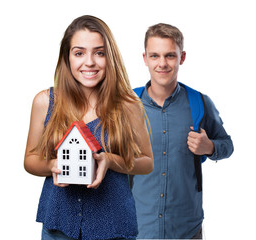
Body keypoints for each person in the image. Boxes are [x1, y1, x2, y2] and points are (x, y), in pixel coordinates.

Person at [24, 15, 153, 240]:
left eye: (99, 52)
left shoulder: (128, 104)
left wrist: (110, 160)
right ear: (67, 57)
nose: (90, 62)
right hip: (59, 225)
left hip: (113, 227)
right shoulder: (45, 101)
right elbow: (30, 160)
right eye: (79, 53)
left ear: (109, 57)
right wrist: (55, 165)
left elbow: (146, 162)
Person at [131, 23, 234, 239]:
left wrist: (211, 147)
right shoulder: (126, 105)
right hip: (137, 229)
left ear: (182, 57)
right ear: (144, 58)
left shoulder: (200, 103)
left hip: (186, 230)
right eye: (154, 56)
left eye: (170, 55)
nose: (162, 63)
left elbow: (227, 145)